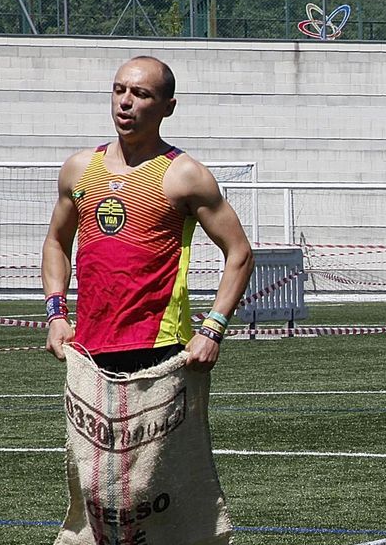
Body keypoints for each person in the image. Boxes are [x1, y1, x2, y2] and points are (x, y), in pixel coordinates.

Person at [43, 56, 254, 371]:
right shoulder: (79, 168)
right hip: (87, 348)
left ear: (168, 107)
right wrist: (56, 315)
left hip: (162, 348)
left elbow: (240, 252)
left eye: (141, 94)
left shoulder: (185, 175)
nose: (125, 102)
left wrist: (213, 329)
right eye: (119, 91)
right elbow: (56, 243)